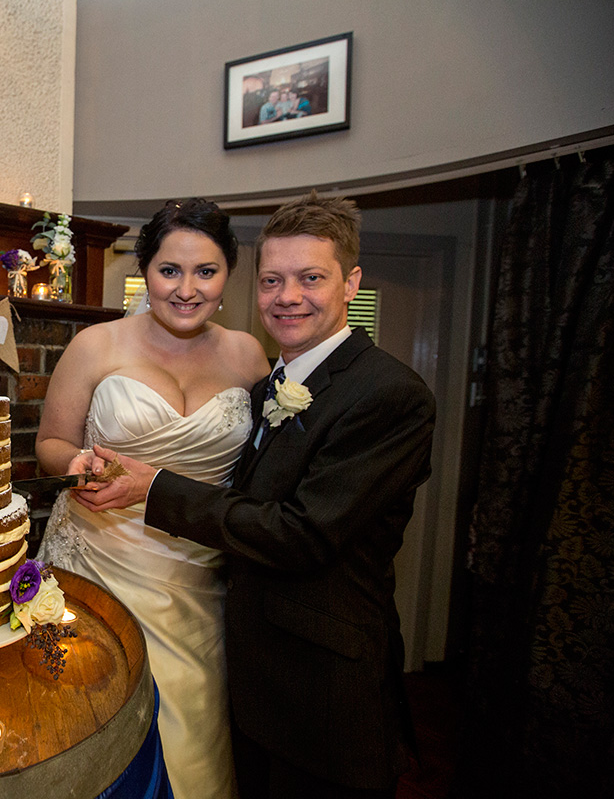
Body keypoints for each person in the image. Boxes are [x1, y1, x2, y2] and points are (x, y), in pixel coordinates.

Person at [75, 193, 435, 798]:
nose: (287, 297)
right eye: (273, 280)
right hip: (245, 659)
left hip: (320, 686)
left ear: (351, 283)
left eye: (310, 279)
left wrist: (155, 487)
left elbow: (303, 533)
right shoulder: (272, 380)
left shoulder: (389, 394)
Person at [37, 198, 269, 799]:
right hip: (100, 560)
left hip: (200, 574)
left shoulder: (248, 355)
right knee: (91, 726)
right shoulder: (96, 345)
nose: (187, 289)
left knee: (196, 739)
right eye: (170, 270)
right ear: (145, 270)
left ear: (228, 274)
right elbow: (51, 442)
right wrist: (76, 462)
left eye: (206, 271)